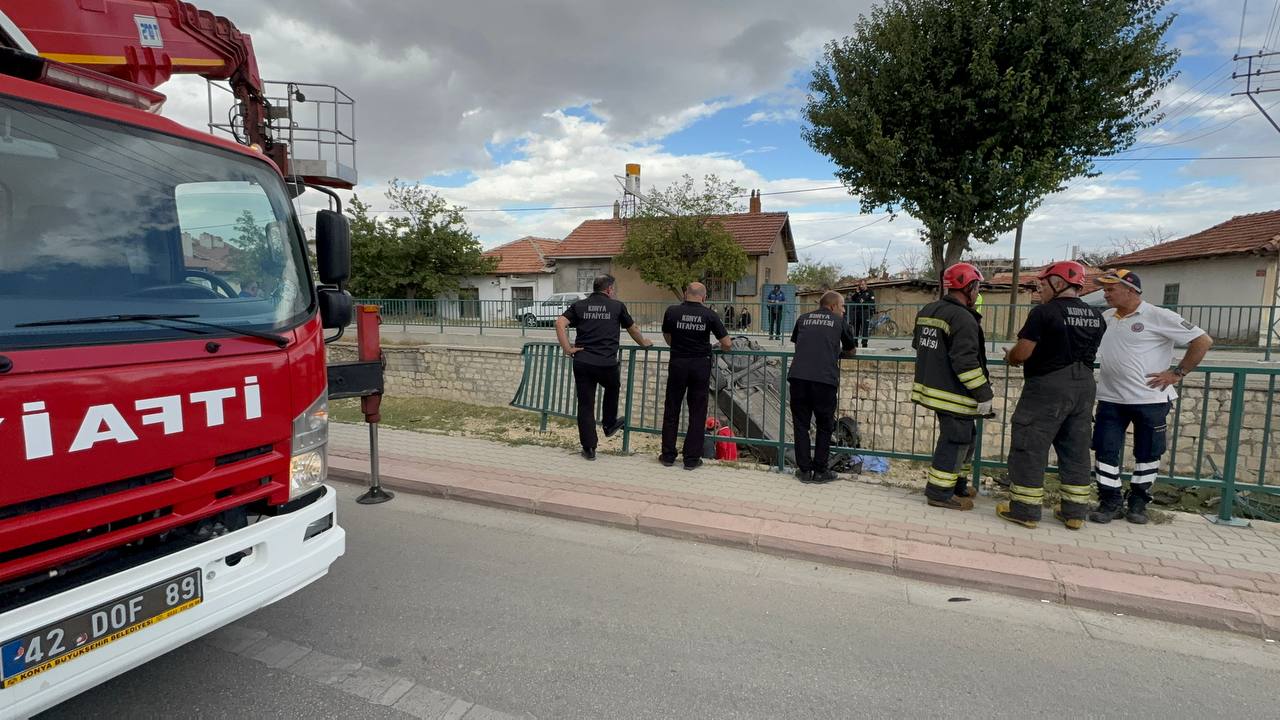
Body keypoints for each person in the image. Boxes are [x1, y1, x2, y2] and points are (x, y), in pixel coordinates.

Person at [1090, 269, 1213, 525]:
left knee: (1147, 454)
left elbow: (1202, 341)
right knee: (1105, 450)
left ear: (1131, 290)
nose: (1105, 294)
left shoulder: (1158, 316)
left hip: (1150, 400)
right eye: (1105, 289)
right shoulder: (1106, 317)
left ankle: (1138, 502)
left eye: (1111, 289)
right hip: (1111, 399)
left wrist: (1177, 373)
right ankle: (1109, 501)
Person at [997, 261, 1106, 530]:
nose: (1040, 290)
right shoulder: (1096, 316)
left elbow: (1023, 352)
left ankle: (1024, 510)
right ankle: (1074, 513)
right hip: (1084, 387)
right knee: (1076, 448)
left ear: (1059, 284)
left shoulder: (1043, 313)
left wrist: (1010, 357)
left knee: (1029, 444)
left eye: (1043, 285)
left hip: (1047, 387)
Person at [910, 263, 992, 511]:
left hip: (932, 388)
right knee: (956, 439)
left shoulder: (928, 310)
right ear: (969, 287)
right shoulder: (964, 319)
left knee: (969, 438)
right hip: (953, 394)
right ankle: (939, 493)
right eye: (977, 287)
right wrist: (984, 393)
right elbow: (965, 362)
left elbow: (919, 345)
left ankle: (958, 484)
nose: (978, 292)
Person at [556, 274, 654, 461]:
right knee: (612, 387)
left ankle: (589, 448)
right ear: (609, 289)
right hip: (606, 362)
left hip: (583, 361)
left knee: (585, 405)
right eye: (613, 289)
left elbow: (559, 323)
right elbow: (632, 329)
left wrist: (567, 349)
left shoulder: (580, 305)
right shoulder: (616, 306)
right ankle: (609, 424)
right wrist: (643, 343)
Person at [660, 282, 732, 470]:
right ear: (704, 297)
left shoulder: (672, 311)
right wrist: (722, 349)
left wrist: (677, 346)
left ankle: (668, 456)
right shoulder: (710, 315)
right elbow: (726, 342)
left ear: (685, 294)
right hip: (700, 366)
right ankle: (691, 459)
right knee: (697, 412)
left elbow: (667, 337)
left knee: (672, 409)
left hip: (677, 364)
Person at [789, 291, 858, 483]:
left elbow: (799, 344)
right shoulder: (838, 322)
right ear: (833, 306)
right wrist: (836, 352)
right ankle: (820, 471)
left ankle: (803, 471)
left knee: (801, 425)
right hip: (824, 380)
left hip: (799, 377)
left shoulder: (802, 319)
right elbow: (851, 350)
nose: (844, 310)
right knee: (824, 425)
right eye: (843, 306)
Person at [846, 279, 876, 348]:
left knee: (864, 329)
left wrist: (863, 303)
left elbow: (872, 302)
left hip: (865, 312)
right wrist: (856, 292)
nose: (861, 286)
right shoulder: (858, 292)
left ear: (866, 284)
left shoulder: (870, 292)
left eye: (862, 285)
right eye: (860, 285)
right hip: (857, 312)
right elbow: (852, 299)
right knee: (856, 328)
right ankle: (855, 343)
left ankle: (864, 344)